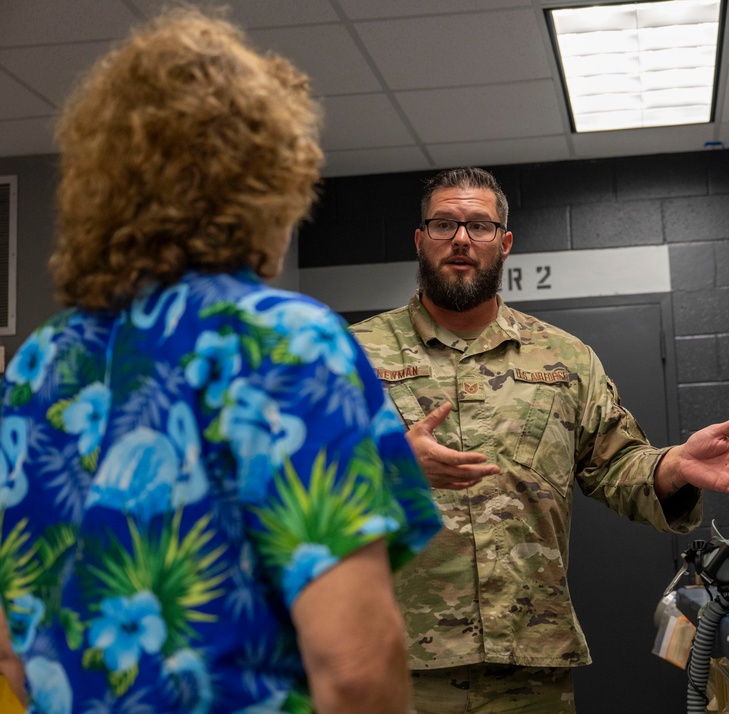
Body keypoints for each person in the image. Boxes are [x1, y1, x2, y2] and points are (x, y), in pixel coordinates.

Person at [0, 8, 440, 713]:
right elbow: (355, 667)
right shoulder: (283, 343)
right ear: (268, 177)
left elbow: (12, 647)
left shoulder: (35, 368)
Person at [350, 166, 729, 713]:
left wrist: (674, 465)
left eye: (480, 226)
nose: (461, 239)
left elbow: (615, 464)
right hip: (392, 665)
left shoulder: (565, 358)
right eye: (444, 224)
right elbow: (281, 483)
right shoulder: (349, 356)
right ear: (420, 239)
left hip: (529, 664)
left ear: (504, 244)